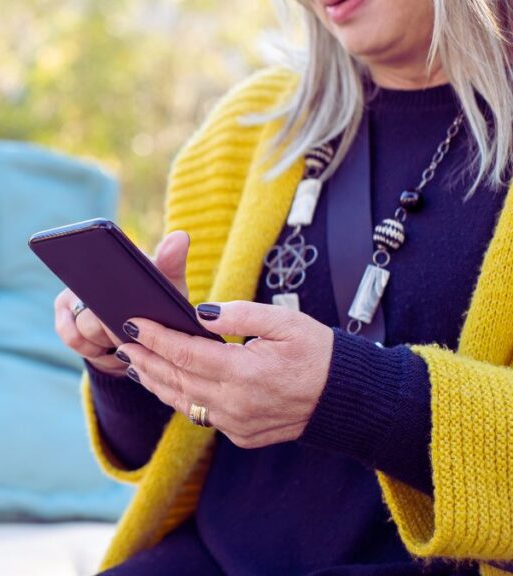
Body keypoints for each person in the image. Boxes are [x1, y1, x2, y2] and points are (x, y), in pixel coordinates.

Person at [54, 0, 513, 574]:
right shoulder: (249, 127)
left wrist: (349, 394)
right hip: (211, 557)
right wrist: (126, 360)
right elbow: (161, 450)